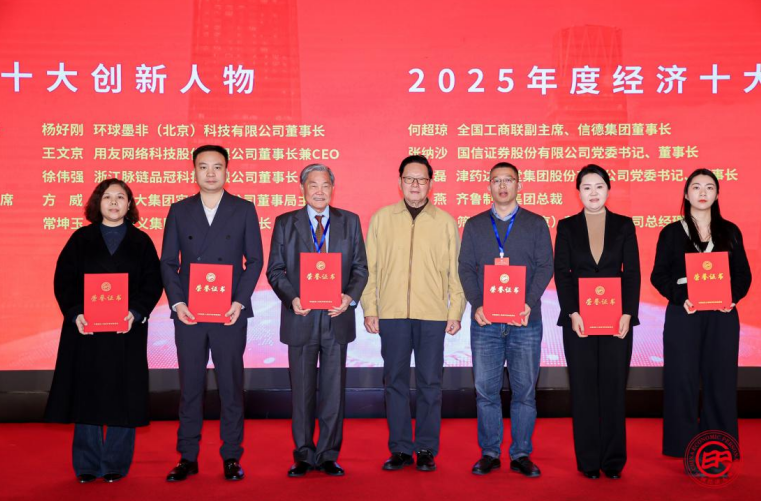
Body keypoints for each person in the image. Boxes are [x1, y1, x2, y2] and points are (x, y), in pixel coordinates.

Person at [44, 179, 163, 483]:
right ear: (97, 203)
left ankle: (115, 464)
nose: (113, 203)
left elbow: (152, 283)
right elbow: (64, 281)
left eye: (120, 197)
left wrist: (136, 312)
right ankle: (87, 464)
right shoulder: (80, 239)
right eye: (107, 197)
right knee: (87, 394)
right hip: (86, 331)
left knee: (125, 396)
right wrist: (76, 313)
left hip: (126, 330)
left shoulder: (141, 241)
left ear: (129, 204)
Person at [161, 145, 263, 481]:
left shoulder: (243, 209)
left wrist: (239, 301)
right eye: (203, 166)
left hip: (229, 313)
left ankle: (232, 455)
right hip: (189, 314)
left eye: (217, 167)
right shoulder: (179, 210)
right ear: (194, 171)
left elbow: (255, 261)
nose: (210, 173)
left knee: (231, 387)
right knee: (190, 386)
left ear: (227, 171)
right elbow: (168, 262)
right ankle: (187, 457)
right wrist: (178, 303)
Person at [361, 155, 465, 472]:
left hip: (432, 314)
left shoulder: (445, 222)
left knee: (430, 382)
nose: (415, 185)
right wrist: (370, 307)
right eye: (409, 179)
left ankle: (426, 448)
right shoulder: (382, 219)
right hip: (392, 313)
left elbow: (456, 272)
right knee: (394, 381)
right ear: (400, 182)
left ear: (431, 183)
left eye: (421, 179)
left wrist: (456, 310)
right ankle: (401, 449)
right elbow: (369, 269)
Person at [267, 163, 368, 477]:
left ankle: (327, 454)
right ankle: (303, 453)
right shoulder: (286, 223)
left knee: (333, 391)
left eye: (325, 185)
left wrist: (349, 298)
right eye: (313, 185)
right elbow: (275, 270)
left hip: (336, 317)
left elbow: (360, 268)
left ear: (333, 188)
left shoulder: (350, 221)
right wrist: (292, 298)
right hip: (301, 317)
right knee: (302, 392)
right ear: (303, 188)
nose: (320, 191)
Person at [458, 162, 553, 477]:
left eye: (508, 180)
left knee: (524, 392)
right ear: (488, 186)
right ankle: (489, 453)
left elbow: (545, 266)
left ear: (518, 185)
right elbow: (465, 268)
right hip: (486, 322)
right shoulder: (474, 225)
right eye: (496, 180)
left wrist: (528, 303)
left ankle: (521, 453)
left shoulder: (536, 224)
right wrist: (477, 304)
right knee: (486, 391)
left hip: (525, 322)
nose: (502, 186)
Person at [651, 168, 751, 459]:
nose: (703, 192)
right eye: (696, 187)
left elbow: (743, 275)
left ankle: (719, 444)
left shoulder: (729, 232)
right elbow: (659, 275)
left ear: (717, 194)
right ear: (686, 194)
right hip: (684, 314)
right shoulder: (671, 232)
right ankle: (683, 446)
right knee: (681, 378)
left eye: (709, 187)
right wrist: (681, 297)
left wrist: (732, 298)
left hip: (722, 315)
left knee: (720, 379)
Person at [554, 165, 640, 479]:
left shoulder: (624, 225)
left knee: (614, 389)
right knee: (584, 390)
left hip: (617, 321)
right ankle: (589, 461)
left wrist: (628, 313)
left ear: (608, 189)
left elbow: (632, 272)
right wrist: (572, 312)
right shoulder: (567, 226)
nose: (593, 192)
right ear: (578, 192)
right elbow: (562, 273)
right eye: (587, 187)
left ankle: (613, 461)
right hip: (579, 322)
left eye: (599, 186)